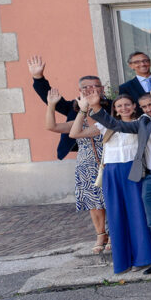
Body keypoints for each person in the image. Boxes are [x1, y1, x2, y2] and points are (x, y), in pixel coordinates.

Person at [89, 86, 151, 274]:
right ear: (141, 108)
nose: (149, 109)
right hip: (150, 179)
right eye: (144, 106)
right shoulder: (142, 124)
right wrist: (96, 107)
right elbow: (116, 125)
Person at [71, 92, 151, 274]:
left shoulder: (142, 121)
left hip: (132, 171)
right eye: (119, 106)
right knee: (116, 216)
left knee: (137, 214)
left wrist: (96, 108)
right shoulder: (105, 125)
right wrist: (83, 111)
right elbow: (75, 133)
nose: (124, 108)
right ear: (115, 109)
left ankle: (143, 258)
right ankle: (123, 261)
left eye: (127, 104)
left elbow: (124, 128)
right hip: (111, 172)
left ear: (134, 106)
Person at [43, 87, 107, 254]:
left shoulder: (108, 119)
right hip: (86, 166)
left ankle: (114, 232)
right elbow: (51, 126)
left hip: (107, 163)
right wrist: (51, 105)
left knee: (110, 201)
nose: (88, 104)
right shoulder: (79, 122)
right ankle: (101, 234)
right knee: (93, 204)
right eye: (84, 102)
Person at [28, 55, 112, 161]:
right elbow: (51, 99)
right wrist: (38, 78)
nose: (91, 89)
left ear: (102, 89)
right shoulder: (74, 106)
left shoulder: (114, 106)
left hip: (112, 157)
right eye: (85, 87)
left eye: (95, 86)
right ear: (80, 91)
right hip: (87, 160)